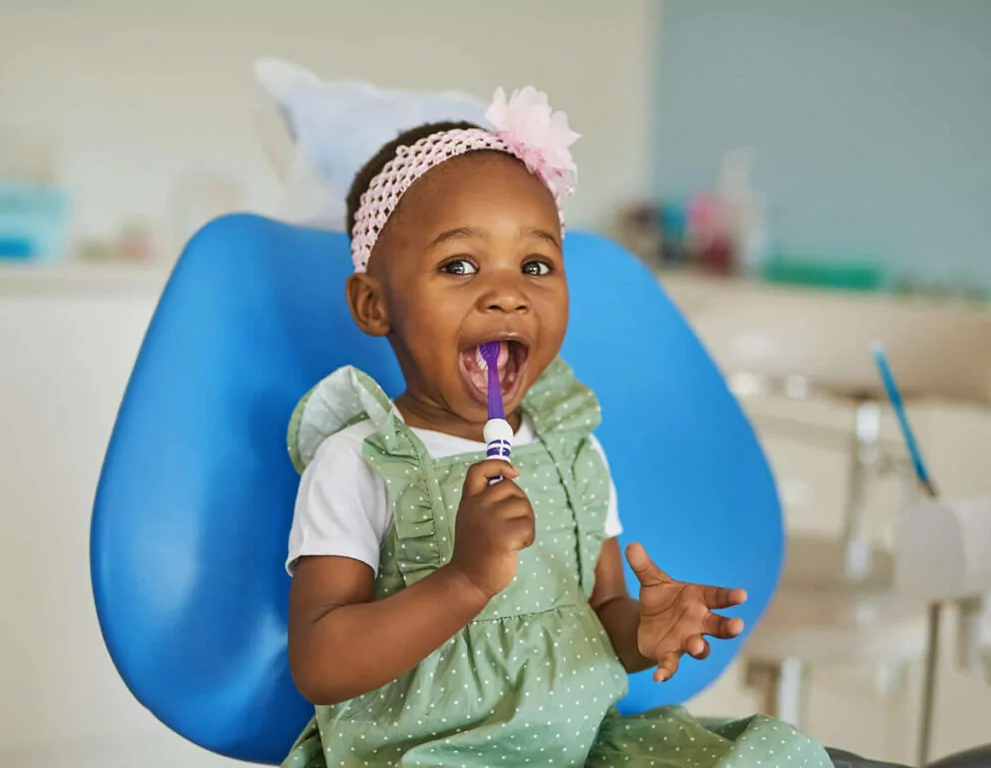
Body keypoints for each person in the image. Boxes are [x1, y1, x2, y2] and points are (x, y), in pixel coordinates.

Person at [281, 85, 834, 767]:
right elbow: (321, 663)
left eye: (536, 265)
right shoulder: (361, 459)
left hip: (580, 751)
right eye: (459, 265)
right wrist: (463, 579)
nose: (508, 291)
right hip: (429, 756)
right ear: (373, 305)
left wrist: (643, 629)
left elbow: (603, 611)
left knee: (771, 755)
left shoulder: (574, 452)